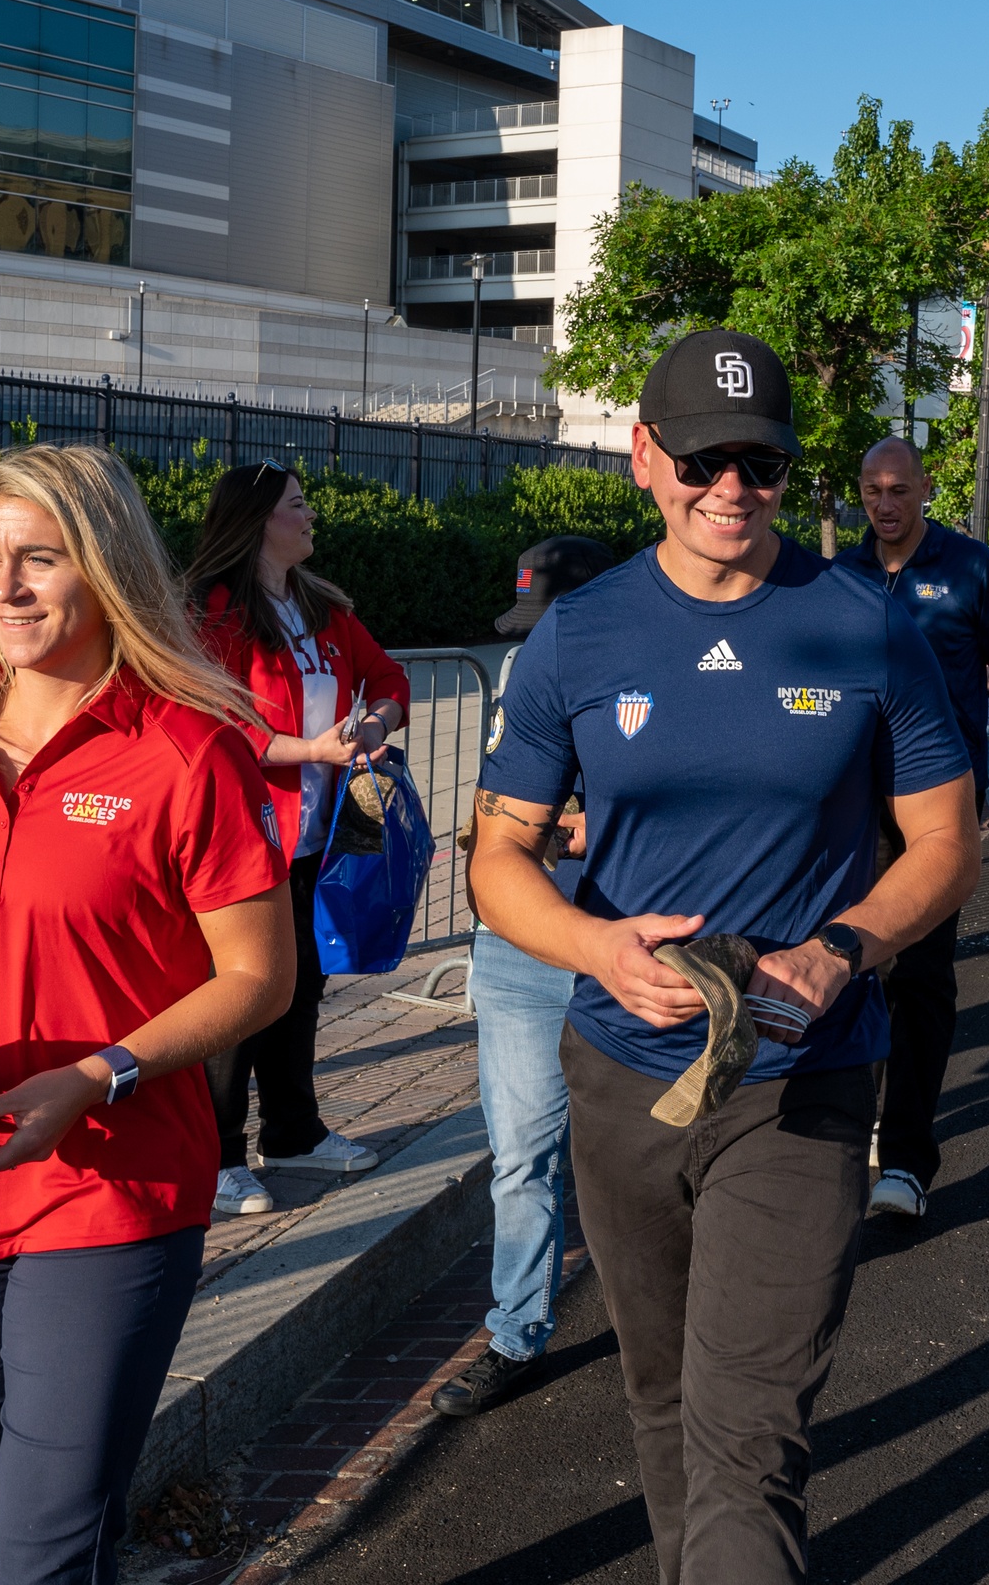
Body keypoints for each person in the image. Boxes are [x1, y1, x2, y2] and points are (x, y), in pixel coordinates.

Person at [471, 329, 977, 1585]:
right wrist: (593, 943)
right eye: (701, 459)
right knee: (660, 1396)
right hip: (621, 1069)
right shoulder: (576, 638)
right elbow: (495, 863)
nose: (728, 489)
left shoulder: (862, 625)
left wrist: (843, 949)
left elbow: (943, 842)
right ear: (645, 458)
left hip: (800, 1079)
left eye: (755, 462)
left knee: (747, 1431)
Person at [0, 444, 297, 1584]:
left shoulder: (190, 746)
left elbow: (256, 978)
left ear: (104, 570)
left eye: (39, 558)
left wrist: (97, 1077)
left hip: (110, 1186)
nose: (7, 585)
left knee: (44, 1549)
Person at [191, 461, 410, 1211]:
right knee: (243, 1000)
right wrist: (309, 750)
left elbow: (388, 679)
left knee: (301, 990)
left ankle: (293, 1133)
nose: (311, 514)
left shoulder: (322, 606)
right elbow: (215, 722)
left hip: (317, 836)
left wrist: (373, 723)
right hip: (244, 840)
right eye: (298, 504)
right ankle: (216, 1157)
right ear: (257, 521)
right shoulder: (214, 613)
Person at [431, 535, 614, 1418]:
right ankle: (515, 1330)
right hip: (517, 948)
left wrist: (563, 830)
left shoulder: (634, 674)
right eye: (524, 627)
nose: (531, 643)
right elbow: (490, 824)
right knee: (521, 1157)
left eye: (546, 625)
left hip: (627, 944)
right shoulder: (517, 683)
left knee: (641, 1156)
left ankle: (674, 1320)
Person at [834, 437, 989, 1220]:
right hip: (853, 803)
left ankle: (908, 1160)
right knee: (853, 964)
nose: (884, 504)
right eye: (871, 489)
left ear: (926, 487)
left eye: (897, 489)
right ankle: (857, 1129)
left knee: (919, 975)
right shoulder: (842, 575)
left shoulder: (971, 566)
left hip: (942, 803)